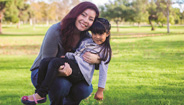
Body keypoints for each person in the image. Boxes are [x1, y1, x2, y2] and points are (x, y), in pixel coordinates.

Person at [21, 2, 101, 105]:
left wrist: (97, 59)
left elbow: (100, 60)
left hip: (70, 72)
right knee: (63, 84)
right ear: (76, 14)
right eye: (83, 15)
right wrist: (61, 71)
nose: (85, 20)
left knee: (85, 88)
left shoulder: (87, 37)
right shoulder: (56, 31)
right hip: (42, 72)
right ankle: (41, 95)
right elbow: (46, 61)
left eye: (91, 19)